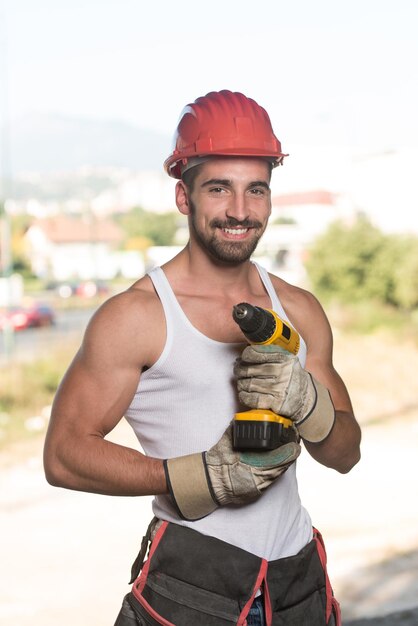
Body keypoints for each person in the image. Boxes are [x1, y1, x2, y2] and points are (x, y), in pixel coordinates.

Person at [43, 90, 361, 626]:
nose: (240, 211)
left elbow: (346, 453)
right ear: (183, 196)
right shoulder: (136, 317)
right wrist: (198, 478)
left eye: (256, 189)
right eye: (219, 188)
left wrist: (311, 405)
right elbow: (64, 455)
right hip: (191, 593)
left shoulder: (299, 310)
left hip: (298, 589)